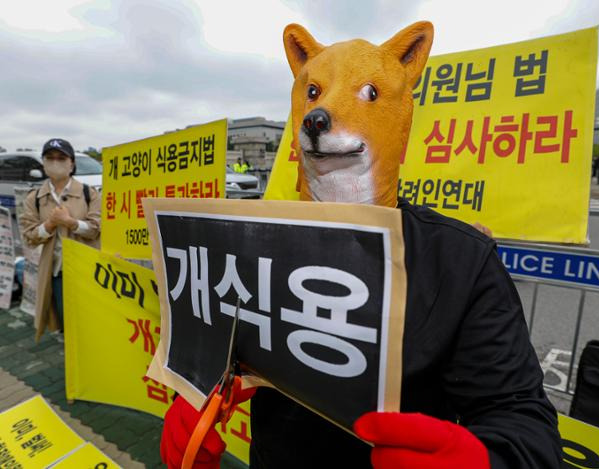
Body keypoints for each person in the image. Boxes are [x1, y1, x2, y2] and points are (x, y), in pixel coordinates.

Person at [161, 22, 561, 469]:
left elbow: (522, 419)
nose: (322, 114)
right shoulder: (254, 244)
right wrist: (203, 393)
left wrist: (487, 459)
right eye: (313, 95)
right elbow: (232, 357)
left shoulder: (459, 261)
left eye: (368, 93)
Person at [19, 138, 101, 340]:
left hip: (88, 268)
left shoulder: (88, 193)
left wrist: (70, 222)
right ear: (44, 163)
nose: (56, 162)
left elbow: (96, 229)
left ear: (71, 163)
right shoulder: (35, 198)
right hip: (56, 271)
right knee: (65, 318)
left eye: (61, 158)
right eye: (50, 158)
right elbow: (29, 236)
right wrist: (49, 225)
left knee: (93, 316)